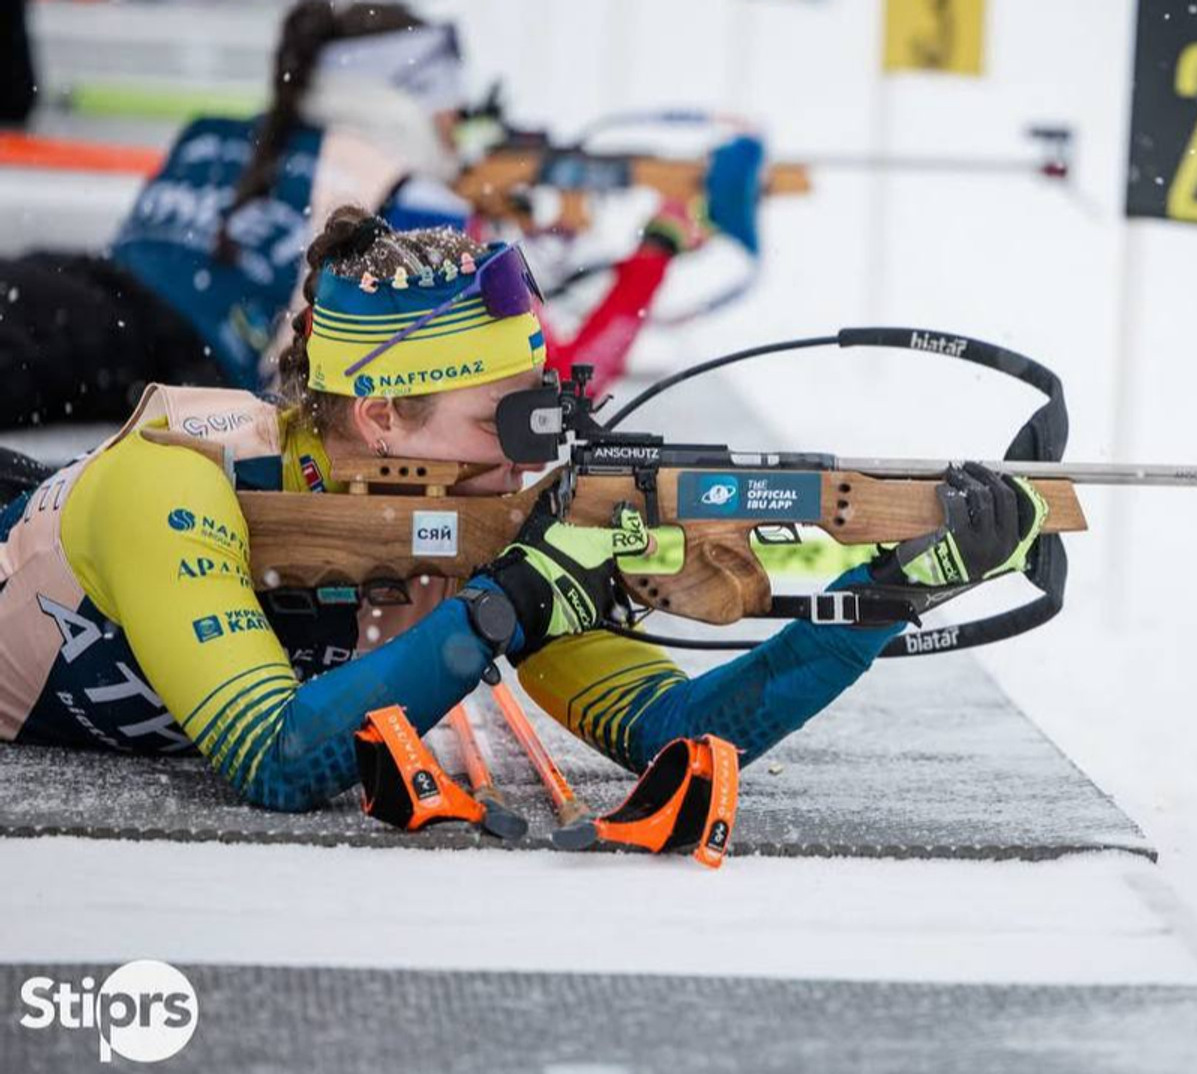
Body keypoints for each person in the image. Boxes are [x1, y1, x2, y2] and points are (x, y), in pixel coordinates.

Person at [0, 208, 1048, 812]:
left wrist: (890, 595)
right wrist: (504, 610)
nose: (541, 452)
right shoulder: (177, 481)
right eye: (512, 420)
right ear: (381, 420)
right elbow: (280, 762)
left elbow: (677, 735)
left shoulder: (484, 515)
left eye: (553, 413)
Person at [0, 0, 719, 428]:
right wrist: (653, 251)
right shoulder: (406, 192)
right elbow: (555, 380)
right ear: (411, 96)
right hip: (164, 359)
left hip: (74, 295)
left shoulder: (221, 129)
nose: (457, 133)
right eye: (451, 112)